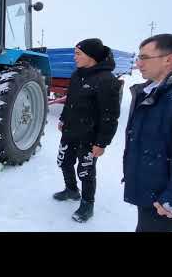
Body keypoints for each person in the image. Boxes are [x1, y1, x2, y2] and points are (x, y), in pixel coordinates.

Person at [123, 33, 172, 232]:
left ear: (169, 59)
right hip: (150, 187)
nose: (138, 63)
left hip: (165, 196)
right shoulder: (150, 91)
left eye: (145, 57)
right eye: (138, 57)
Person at [54, 38, 122, 223]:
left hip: (90, 136)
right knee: (64, 162)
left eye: (78, 54)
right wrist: (62, 118)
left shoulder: (107, 80)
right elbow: (70, 101)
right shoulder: (78, 74)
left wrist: (102, 143)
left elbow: (110, 116)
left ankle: (87, 204)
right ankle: (71, 190)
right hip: (70, 130)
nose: (74, 57)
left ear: (91, 56)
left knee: (85, 171)